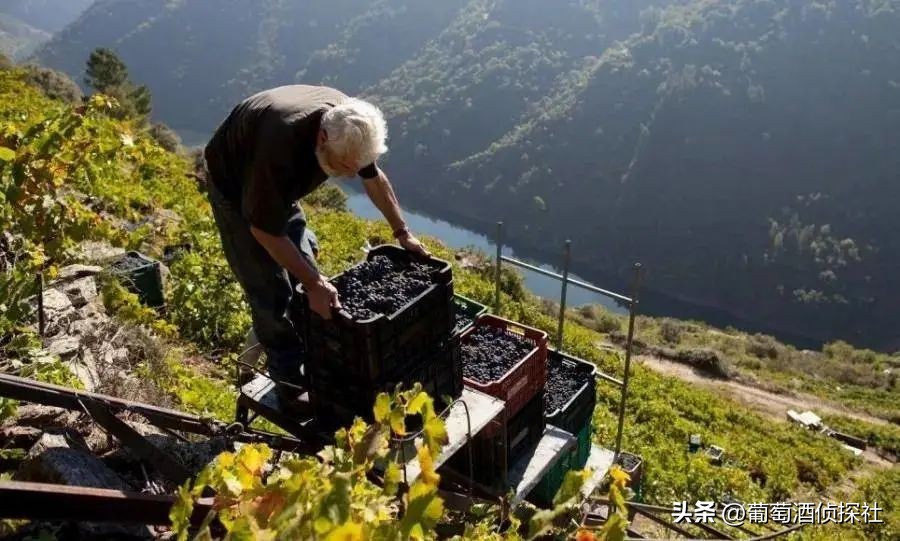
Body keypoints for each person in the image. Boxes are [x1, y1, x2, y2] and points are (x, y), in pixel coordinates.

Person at [203, 85, 429, 406]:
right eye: (345, 167)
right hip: (235, 184)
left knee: (306, 275)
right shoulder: (280, 144)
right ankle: (288, 383)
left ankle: (313, 356)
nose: (351, 175)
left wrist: (402, 232)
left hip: (277, 186)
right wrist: (314, 282)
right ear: (322, 139)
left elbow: (373, 178)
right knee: (270, 288)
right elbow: (264, 230)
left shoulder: (350, 126)